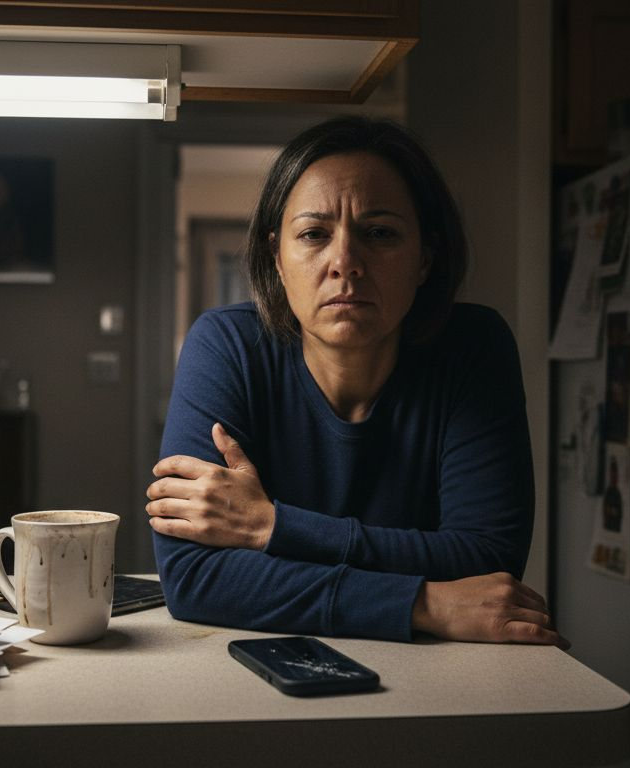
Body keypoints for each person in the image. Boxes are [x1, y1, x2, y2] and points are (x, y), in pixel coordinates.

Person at [145, 115, 566, 647]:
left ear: (425, 259)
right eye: (314, 235)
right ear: (277, 258)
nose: (345, 262)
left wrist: (272, 528)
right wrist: (423, 601)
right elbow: (195, 579)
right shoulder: (226, 347)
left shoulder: (473, 349)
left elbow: (487, 560)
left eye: (380, 233)